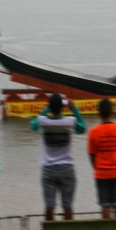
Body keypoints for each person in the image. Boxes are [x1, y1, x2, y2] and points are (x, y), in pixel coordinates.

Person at [30, 93, 86, 221]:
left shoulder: (42, 121)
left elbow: (32, 125)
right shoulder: (70, 122)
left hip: (48, 169)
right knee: (68, 205)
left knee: (49, 205)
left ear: (50, 106)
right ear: (62, 107)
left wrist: (46, 109)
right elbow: (82, 128)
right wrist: (74, 109)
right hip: (67, 168)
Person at [88, 98, 116, 219]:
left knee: (104, 204)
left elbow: (92, 156)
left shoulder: (93, 132)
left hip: (101, 173)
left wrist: (98, 168)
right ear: (112, 112)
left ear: (99, 113)